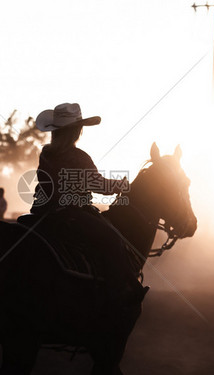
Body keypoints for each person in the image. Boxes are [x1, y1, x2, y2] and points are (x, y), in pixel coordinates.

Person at [30, 103, 142, 303]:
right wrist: (122, 185)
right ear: (76, 131)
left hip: (42, 213)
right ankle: (118, 293)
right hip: (70, 214)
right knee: (113, 239)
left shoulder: (46, 153)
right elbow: (99, 185)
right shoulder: (79, 157)